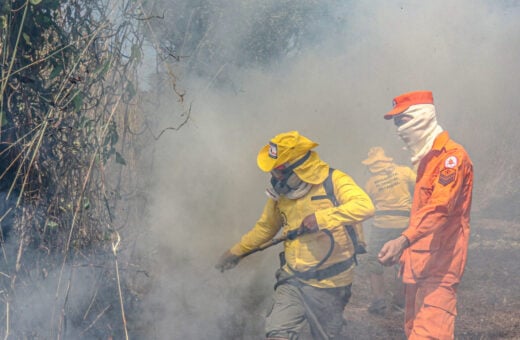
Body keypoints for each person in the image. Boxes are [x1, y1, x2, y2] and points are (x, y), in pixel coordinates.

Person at [215, 131, 375, 340]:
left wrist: (322, 218)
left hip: (332, 283)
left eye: (278, 171)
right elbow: (265, 228)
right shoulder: (281, 194)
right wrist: (237, 252)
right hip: (293, 279)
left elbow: (365, 206)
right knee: (278, 333)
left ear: (298, 168)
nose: (274, 176)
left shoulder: (333, 180)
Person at [378, 91, 474, 339]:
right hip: (418, 268)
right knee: (414, 332)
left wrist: (403, 240)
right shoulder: (426, 161)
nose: (399, 130)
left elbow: (440, 208)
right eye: (396, 123)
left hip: (440, 269)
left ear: (421, 118)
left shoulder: (451, 158)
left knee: (429, 335)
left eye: (402, 121)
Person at [361, 146, 416, 316]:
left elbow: (366, 206)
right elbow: (421, 188)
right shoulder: (405, 172)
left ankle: (379, 302)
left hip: (381, 225)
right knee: (403, 262)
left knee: (373, 260)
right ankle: (401, 304)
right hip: (404, 224)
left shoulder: (370, 183)